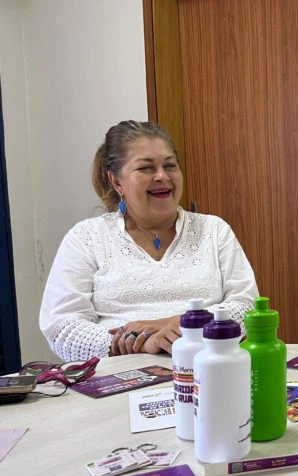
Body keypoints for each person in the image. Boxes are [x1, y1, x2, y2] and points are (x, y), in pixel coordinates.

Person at [39, 120, 258, 361]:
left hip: (209, 367)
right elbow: (61, 328)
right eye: (146, 168)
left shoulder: (214, 230)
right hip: (118, 375)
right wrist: (141, 340)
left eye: (170, 165)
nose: (162, 176)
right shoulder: (86, 238)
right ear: (116, 181)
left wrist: (182, 324)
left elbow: (247, 306)